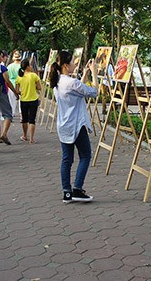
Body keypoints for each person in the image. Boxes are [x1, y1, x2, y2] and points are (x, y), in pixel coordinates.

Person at [49, 51, 98, 203]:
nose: (74, 64)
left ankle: (67, 193)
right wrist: (95, 73)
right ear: (65, 65)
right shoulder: (71, 83)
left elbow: (78, 89)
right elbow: (94, 92)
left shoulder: (58, 81)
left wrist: (86, 73)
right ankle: (77, 188)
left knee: (67, 159)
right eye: (72, 62)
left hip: (64, 125)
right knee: (85, 156)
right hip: (76, 125)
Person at [0, 48, 19, 145]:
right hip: (2, 92)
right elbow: (7, 81)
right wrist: (15, 92)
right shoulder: (2, 68)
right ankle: (4, 134)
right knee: (8, 114)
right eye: (1, 56)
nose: (2, 58)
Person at [15, 58, 42, 143]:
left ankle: (25, 135)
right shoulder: (34, 76)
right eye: (30, 65)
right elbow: (39, 87)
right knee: (32, 119)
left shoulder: (19, 77)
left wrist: (21, 92)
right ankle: (32, 138)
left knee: (24, 119)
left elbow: (17, 90)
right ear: (27, 67)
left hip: (24, 100)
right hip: (33, 99)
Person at [7, 50, 22, 117]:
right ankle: (22, 114)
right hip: (21, 85)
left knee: (12, 101)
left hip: (11, 85)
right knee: (22, 100)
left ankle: (12, 114)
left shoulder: (9, 66)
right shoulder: (22, 66)